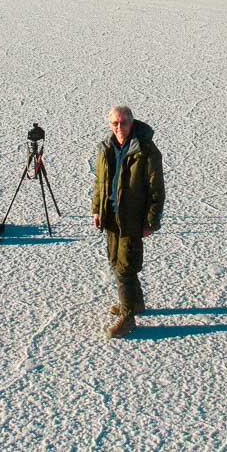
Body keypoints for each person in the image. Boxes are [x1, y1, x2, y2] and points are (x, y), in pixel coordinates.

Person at [91, 105, 165, 339]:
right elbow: (100, 182)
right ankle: (136, 303)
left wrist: (151, 221)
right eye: (115, 123)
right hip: (111, 216)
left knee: (125, 267)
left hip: (132, 217)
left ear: (132, 123)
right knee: (116, 261)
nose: (119, 128)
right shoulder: (106, 148)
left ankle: (128, 316)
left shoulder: (146, 150)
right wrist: (96, 210)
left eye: (123, 122)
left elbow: (156, 189)